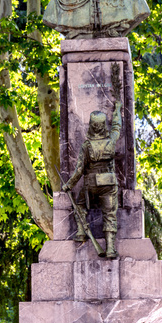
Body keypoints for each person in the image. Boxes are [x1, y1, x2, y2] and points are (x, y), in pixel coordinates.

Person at [62, 100, 122, 258]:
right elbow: (117, 126)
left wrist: (68, 185)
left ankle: (81, 232)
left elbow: (79, 170)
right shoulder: (111, 140)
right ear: (103, 125)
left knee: (80, 204)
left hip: (91, 184)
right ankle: (110, 248)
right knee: (109, 214)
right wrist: (118, 109)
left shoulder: (86, 146)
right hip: (109, 183)